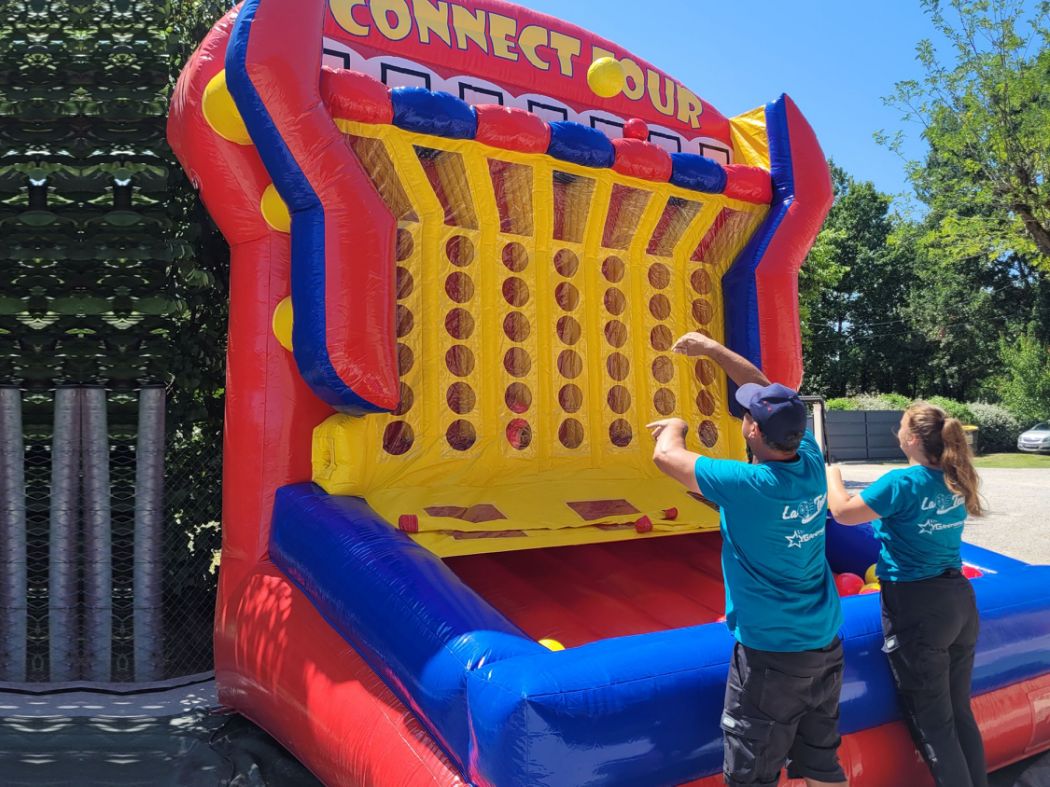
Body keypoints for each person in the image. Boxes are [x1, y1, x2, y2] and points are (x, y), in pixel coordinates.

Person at [648, 332, 846, 787]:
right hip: (824, 644)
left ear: (753, 430)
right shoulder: (808, 458)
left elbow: (666, 455)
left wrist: (676, 424)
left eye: (749, 414)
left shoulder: (747, 483)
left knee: (749, 775)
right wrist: (712, 350)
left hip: (771, 656)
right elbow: (767, 390)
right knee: (821, 764)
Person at [825, 403, 988, 787]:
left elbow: (843, 513)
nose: (896, 432)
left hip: (918, 606)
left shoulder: (902, 482)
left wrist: (832, 475)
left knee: (935, 725)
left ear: (913, 439)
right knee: (959, 712)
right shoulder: (952, 477)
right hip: (958, 599)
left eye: (900, 426)